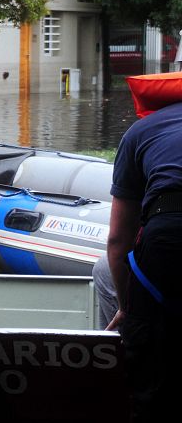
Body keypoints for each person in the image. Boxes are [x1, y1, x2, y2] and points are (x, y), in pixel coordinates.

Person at [106, 99, 182, 421]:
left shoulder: (141, 131)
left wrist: (128, 308)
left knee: (150, 366)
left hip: (167, 234)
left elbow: (118, 240)